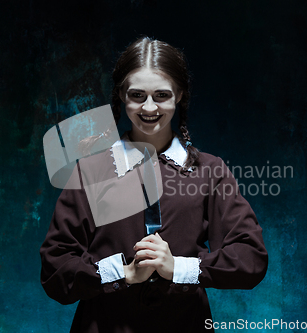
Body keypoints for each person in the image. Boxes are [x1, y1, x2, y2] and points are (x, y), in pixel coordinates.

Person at [39, 36, 268, 333]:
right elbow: (55, 269)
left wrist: (179, 268)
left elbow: (251, 258)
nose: (149, 107)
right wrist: (122, 273)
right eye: (137, 95)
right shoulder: (90, 171)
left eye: (161, 95)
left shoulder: (210, 170)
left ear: (180, 95)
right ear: (121, 95)